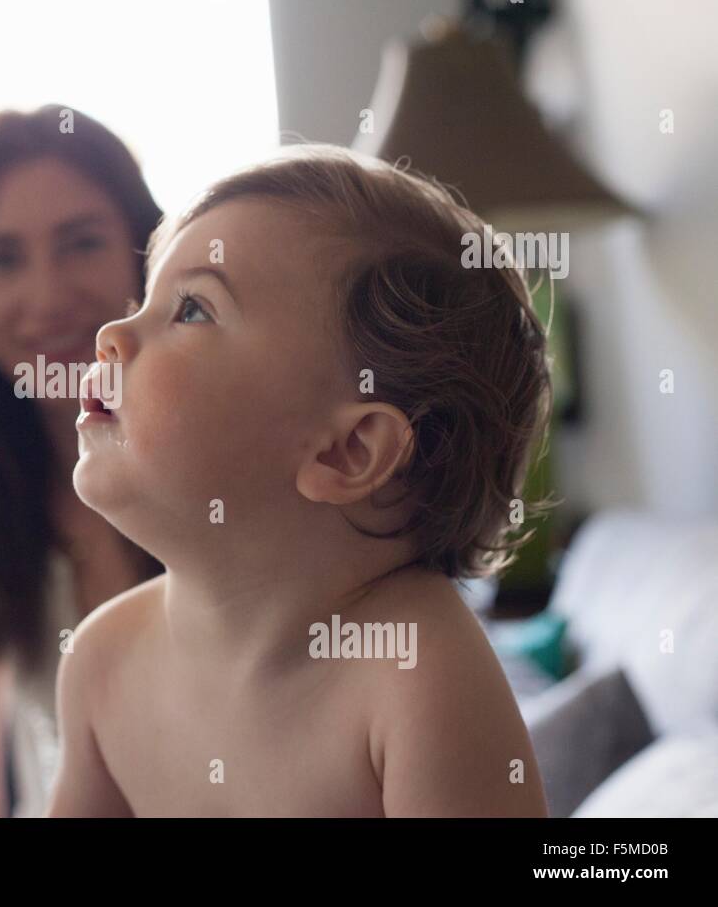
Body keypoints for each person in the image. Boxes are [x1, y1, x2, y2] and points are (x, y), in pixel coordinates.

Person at [50, 144, 552, 816]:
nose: (113, 331)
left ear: (347, 452)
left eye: (191, 309)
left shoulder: (416, 671)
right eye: (144, 301)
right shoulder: (100, 661)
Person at [0, 105, 164, 817]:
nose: (47, 297)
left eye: (81, 244)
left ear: (148, 254)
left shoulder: (246, 479)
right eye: (2, 260)